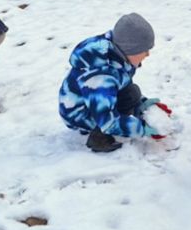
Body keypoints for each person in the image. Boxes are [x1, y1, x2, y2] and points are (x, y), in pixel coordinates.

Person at [59, 13, 164, 153]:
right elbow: (108, 121)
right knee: (112, 118)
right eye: (144, 50)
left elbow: (122, 84)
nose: (147, 54)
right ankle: (99, 139)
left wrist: (142, 103)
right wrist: (142, 129)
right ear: (130, 50)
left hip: (94, 101)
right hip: (80, 115)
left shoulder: (118, 53)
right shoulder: (100, 76)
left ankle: (119, 119)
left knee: (132, 93)